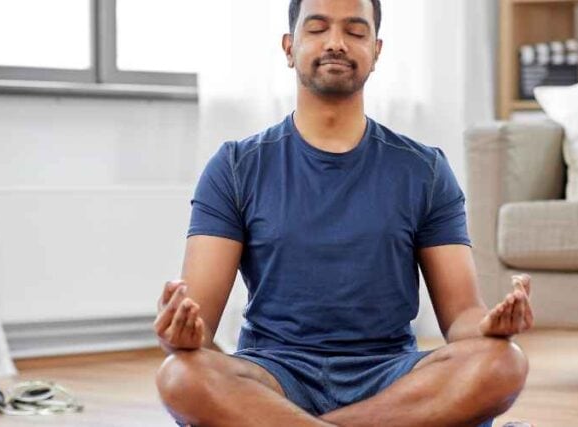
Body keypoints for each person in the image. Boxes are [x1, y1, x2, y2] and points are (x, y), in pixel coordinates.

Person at [154, 0, 534, 425]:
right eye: (317, 29)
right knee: (181, 375)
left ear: (376, 50)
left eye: (355, 32)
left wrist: (487, 329)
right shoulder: (235, 166)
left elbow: (462, 314)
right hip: (274, 375)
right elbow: (200, 326)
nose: (336, 43)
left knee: (503, 362)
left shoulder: (424, 169)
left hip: (389, 375)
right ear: (288, 47)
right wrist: (183, 337)